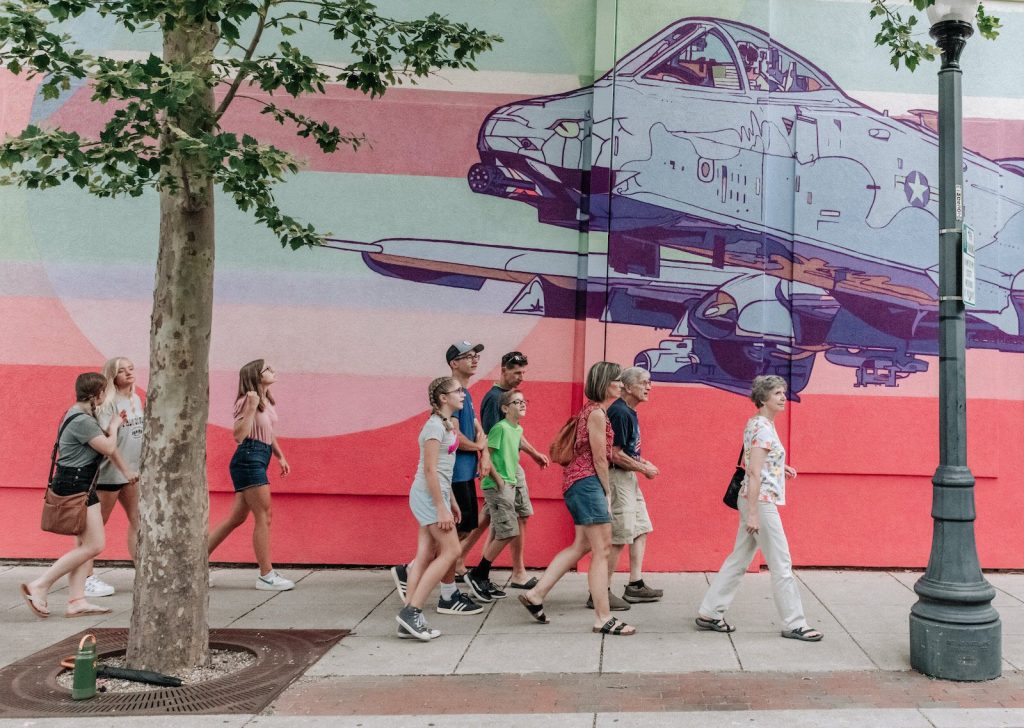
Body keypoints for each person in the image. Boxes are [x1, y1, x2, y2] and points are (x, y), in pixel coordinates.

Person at [695, 375, 823, 642]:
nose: (782, 397)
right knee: (781, 562)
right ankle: (794, 623)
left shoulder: (756, 423)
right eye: (777, 393)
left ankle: (710, 612)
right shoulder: (764, 428)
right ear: (763, 398)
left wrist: (780, 467)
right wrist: (753, 512)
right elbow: (753, 471)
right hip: (760, 501)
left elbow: (758, 462)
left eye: (783, 392)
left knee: (739, 558)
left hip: (752, 498)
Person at [518, 362, 637, 636]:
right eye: (617, 380)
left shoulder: (592, 410)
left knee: (581, 545)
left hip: (578, 484)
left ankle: (537, 594)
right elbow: (599, 458)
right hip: (588, 484)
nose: (621, 384)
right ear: (605, 383)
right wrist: (607, 493)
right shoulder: (596, 413)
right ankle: (603, 618)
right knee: (602, 550)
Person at [20, 372, 139, 619]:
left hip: (78, 482)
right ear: (97, 394)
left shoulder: (78, 414)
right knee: (95, 545)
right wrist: (115, 426)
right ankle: (40, 585)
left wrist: (108, 429)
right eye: (104, 392)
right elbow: (107, 448)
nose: (106, 396)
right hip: (75, 483)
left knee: (86, 545)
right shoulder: (81, 420)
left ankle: (76, 601)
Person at [208, 359, 294, 591]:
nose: (273, 370)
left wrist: (280, 456)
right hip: (249, 457)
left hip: (260, 455)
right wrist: (250, 408)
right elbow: (239, 435)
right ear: (255, 375)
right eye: (267, 369)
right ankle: (266, 575)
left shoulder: (265, 400)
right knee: (264, 515)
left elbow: (268, 432)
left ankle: (192, 565)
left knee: (236, 518)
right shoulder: (248, 399)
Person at [397, 377, 468, 640]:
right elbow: (429, 470)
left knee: (426, 553)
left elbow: (443, 469)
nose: (462, 394)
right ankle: (412, 611)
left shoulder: (447, 425)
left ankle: (407, 617)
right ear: (442, 398)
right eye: (457, 391)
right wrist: (440, 507)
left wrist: (451, 501)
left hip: (437, 495)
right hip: (428, 496)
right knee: (452, 550)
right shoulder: (434, 427)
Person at [477, 351, 549, 589]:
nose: (520, 377)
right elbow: (487, 439)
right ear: (504, 370)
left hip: (511, 468)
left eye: (523, 372)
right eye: (516, 372)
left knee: (506, 519)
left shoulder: (508, 397)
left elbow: (514, 432)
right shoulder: (494, 398)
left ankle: (472, 566)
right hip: (503, 471)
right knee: (503, 522)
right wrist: (496, 477)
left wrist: (534, 453)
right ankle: (505, 571)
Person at [82, 356, 145, 599]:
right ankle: (87, 578)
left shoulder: (136, 398)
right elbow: (110, 442)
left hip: (132, 471)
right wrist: (124, 470)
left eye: (131, 368)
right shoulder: (108, 402)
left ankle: (143, 572)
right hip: (111, 472)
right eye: (122, 371)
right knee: (97, 526)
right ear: (112, 376)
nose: (129, 373)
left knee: (139, 521)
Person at [464, 388, 533, 601]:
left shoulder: (516, 429)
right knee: (508, 531)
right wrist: (500, 481)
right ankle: (477, 574)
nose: (522, 405)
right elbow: (487, 456)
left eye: (524, 401)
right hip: (496, 486)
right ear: (504, 408)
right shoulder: (500, 428)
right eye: (516, 402)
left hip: (509, 484)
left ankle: (480, 574)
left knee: (508, 530)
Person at [603, 366, 662, 606]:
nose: (649, 387)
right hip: (618, 478)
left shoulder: (629, 412)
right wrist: (644, 468)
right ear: (628, 387)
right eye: (644, 382)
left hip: (628, 477)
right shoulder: (620, 412)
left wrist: (642, 463)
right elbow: (614, 455)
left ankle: (635, 585)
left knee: (640, 528)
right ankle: (600, 591)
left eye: (650, 382)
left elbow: (626, 451)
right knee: (620, 535)